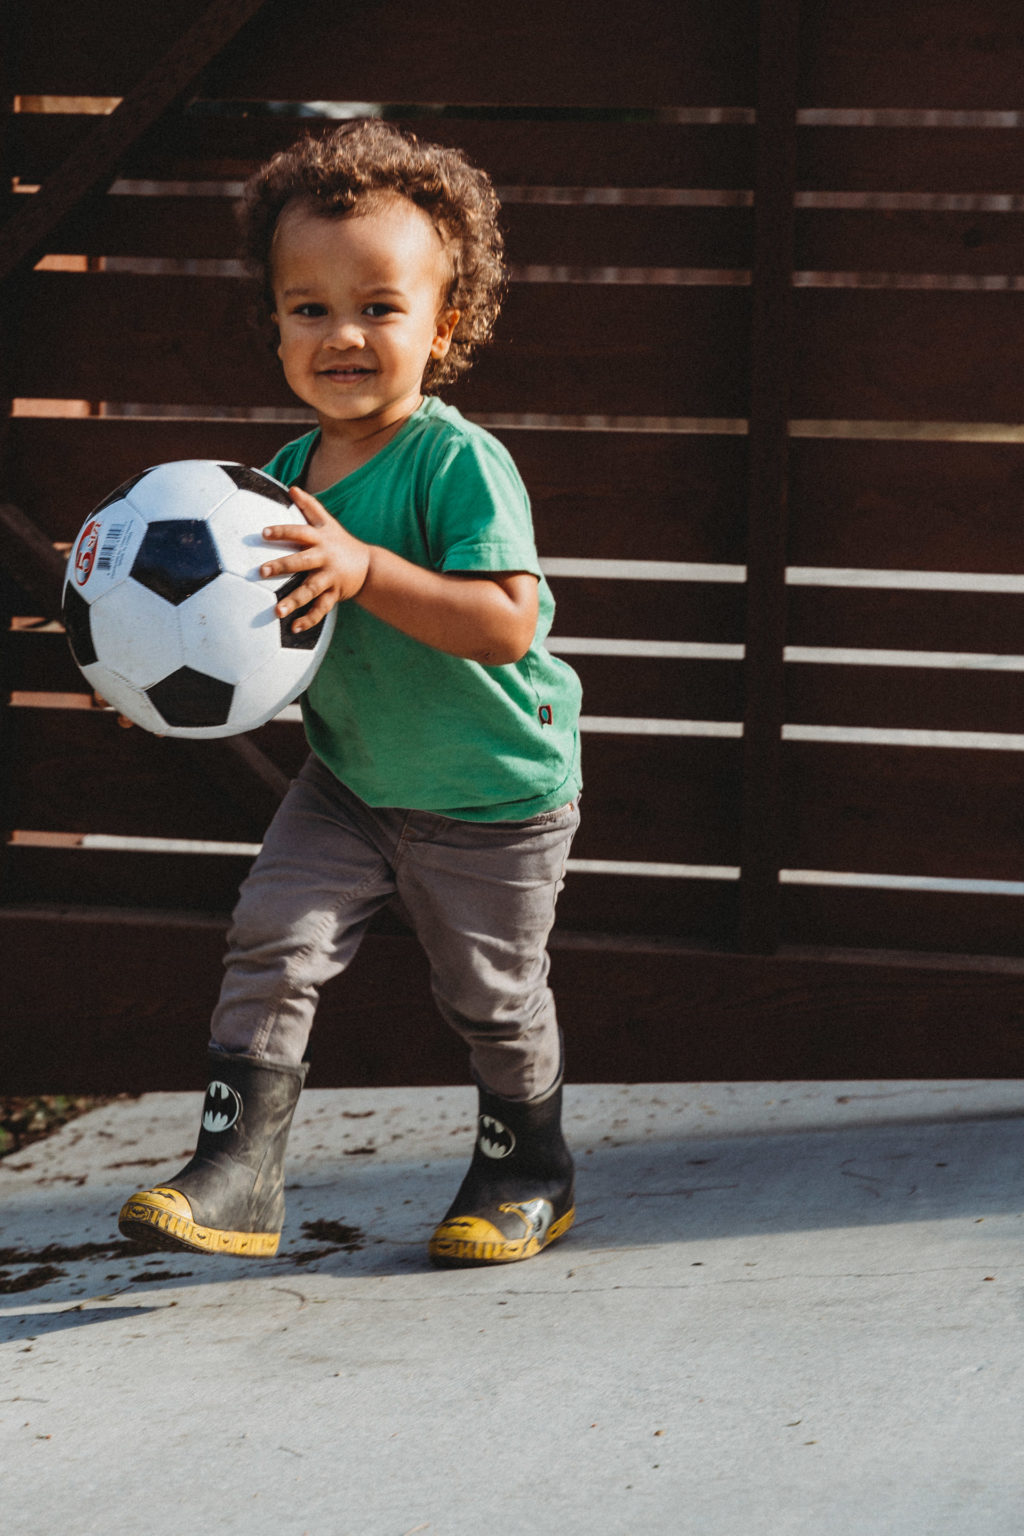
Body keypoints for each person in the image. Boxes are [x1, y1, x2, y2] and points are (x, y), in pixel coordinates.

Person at [117, 119, 583, 1268]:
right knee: (271, 940)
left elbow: (507, 620)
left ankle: (528, 1163)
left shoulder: (452, 462)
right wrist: (138, 663)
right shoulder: (266, 487)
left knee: (491, 998)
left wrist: (367, 568)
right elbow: (254, 646)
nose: (344, 335)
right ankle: (239, 1171)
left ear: (445, 325)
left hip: (488, 791)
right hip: (352, 781)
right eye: (309, 307)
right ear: (273, 324)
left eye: (380, 306)